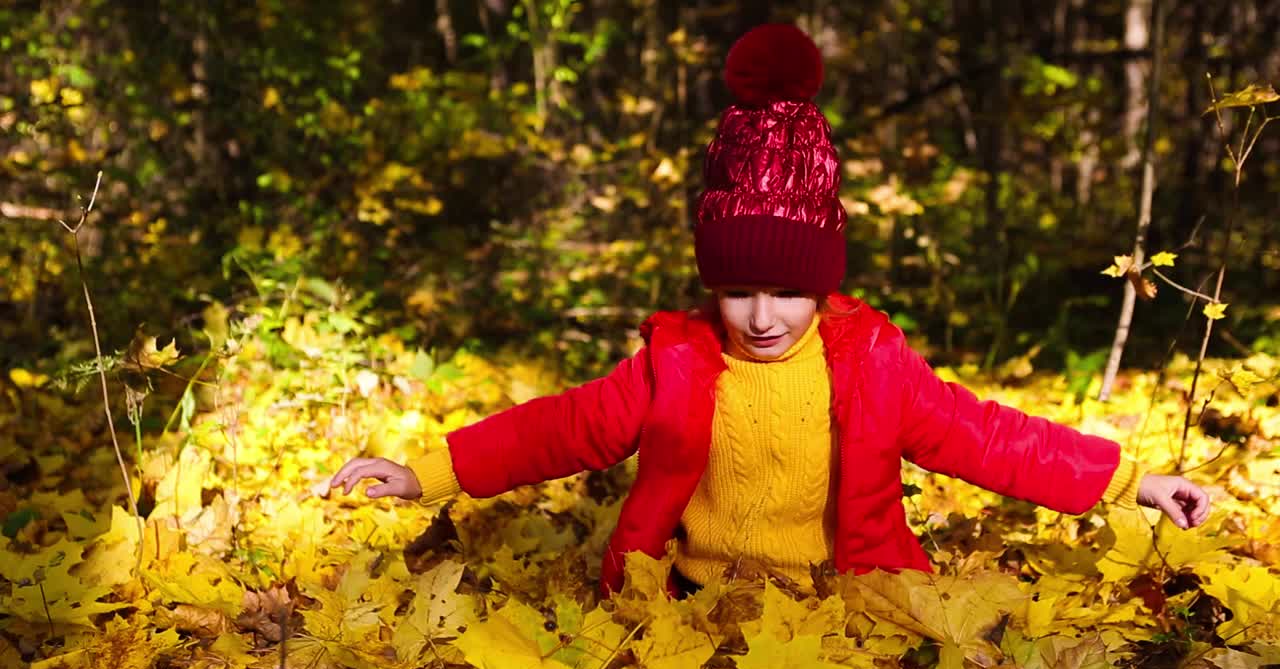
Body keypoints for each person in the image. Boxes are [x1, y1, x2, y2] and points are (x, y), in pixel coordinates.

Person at [328, 24, 1210, 598]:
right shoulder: (676, 362)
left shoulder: (867, 363)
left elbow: (987, 436)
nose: (761, 314)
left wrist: (1132, 482)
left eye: (789, 290)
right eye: (738, 288)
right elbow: (561, 429)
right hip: (692, 600)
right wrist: (428, 472)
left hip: (838, 599)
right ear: (710, 283)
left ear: (823, 285)